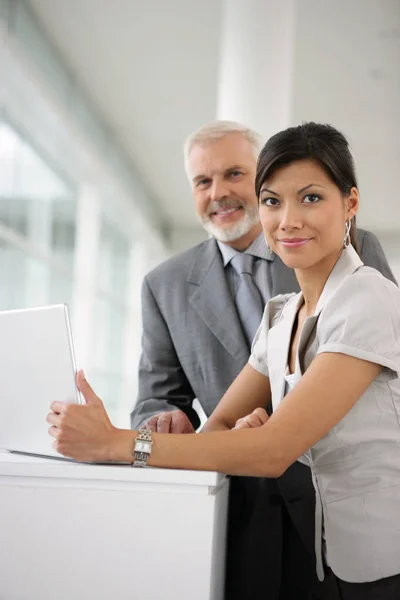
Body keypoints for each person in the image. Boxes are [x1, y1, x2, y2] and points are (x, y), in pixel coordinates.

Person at [48, 122, 400, 600]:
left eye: (312, 198)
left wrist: (115, 444)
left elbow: (275, 449)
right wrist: (232, 437)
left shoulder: (368, 298)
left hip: (378, 558)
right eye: (274, 201)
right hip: (313, 548)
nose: (288, 220)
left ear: (350, 205)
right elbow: (216, 426)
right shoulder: (282, 314)